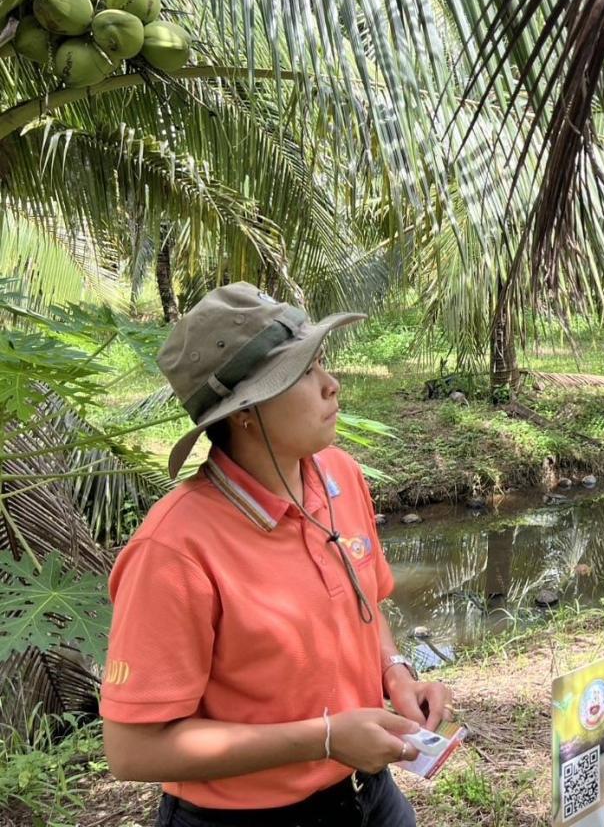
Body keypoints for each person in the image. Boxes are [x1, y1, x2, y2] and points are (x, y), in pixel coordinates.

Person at [100, 283, 452, 826]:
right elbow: (132, 750)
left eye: (322, 363)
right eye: (302, 374)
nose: (332, 386)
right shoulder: (175, 549)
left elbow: (364, 607)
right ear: (245, 413)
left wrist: (397, 675)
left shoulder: (340, 475)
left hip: (368, 796)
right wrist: (326, 739)